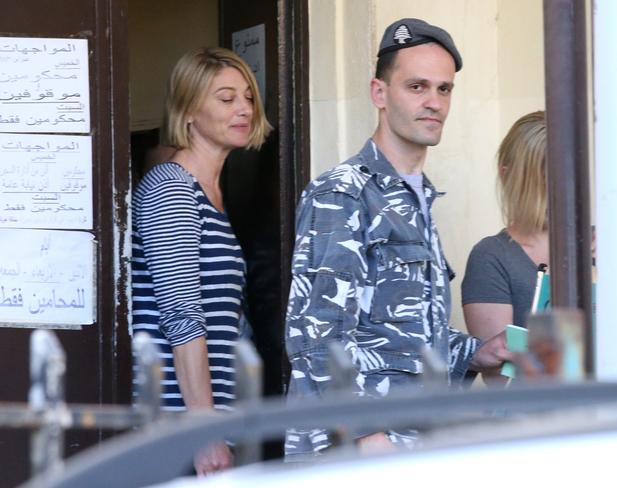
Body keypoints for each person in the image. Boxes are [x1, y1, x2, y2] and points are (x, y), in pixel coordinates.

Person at [284, 18, 512, 460]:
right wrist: (369, 437)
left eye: (444, 89)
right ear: (379, 93)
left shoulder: (419, 197)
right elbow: (315, 333)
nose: (433, 102)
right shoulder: (344, 192)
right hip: (356, 453)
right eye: (417, 86)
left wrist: (477, 353)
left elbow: (403, 333)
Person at [131, 47, 271, 475]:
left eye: (248, 97)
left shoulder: (210, 193)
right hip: (177, 430)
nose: (244, 108)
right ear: (188, 111)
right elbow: (181, 314)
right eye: (226, 99)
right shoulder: (172, 188)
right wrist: (203, 428)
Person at [461, 111, 546, 383]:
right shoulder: (492, 257)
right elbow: (501, 378)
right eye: (542, 177)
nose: (557, 188)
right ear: (508, 176)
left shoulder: (596, 245)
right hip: (531, 418)